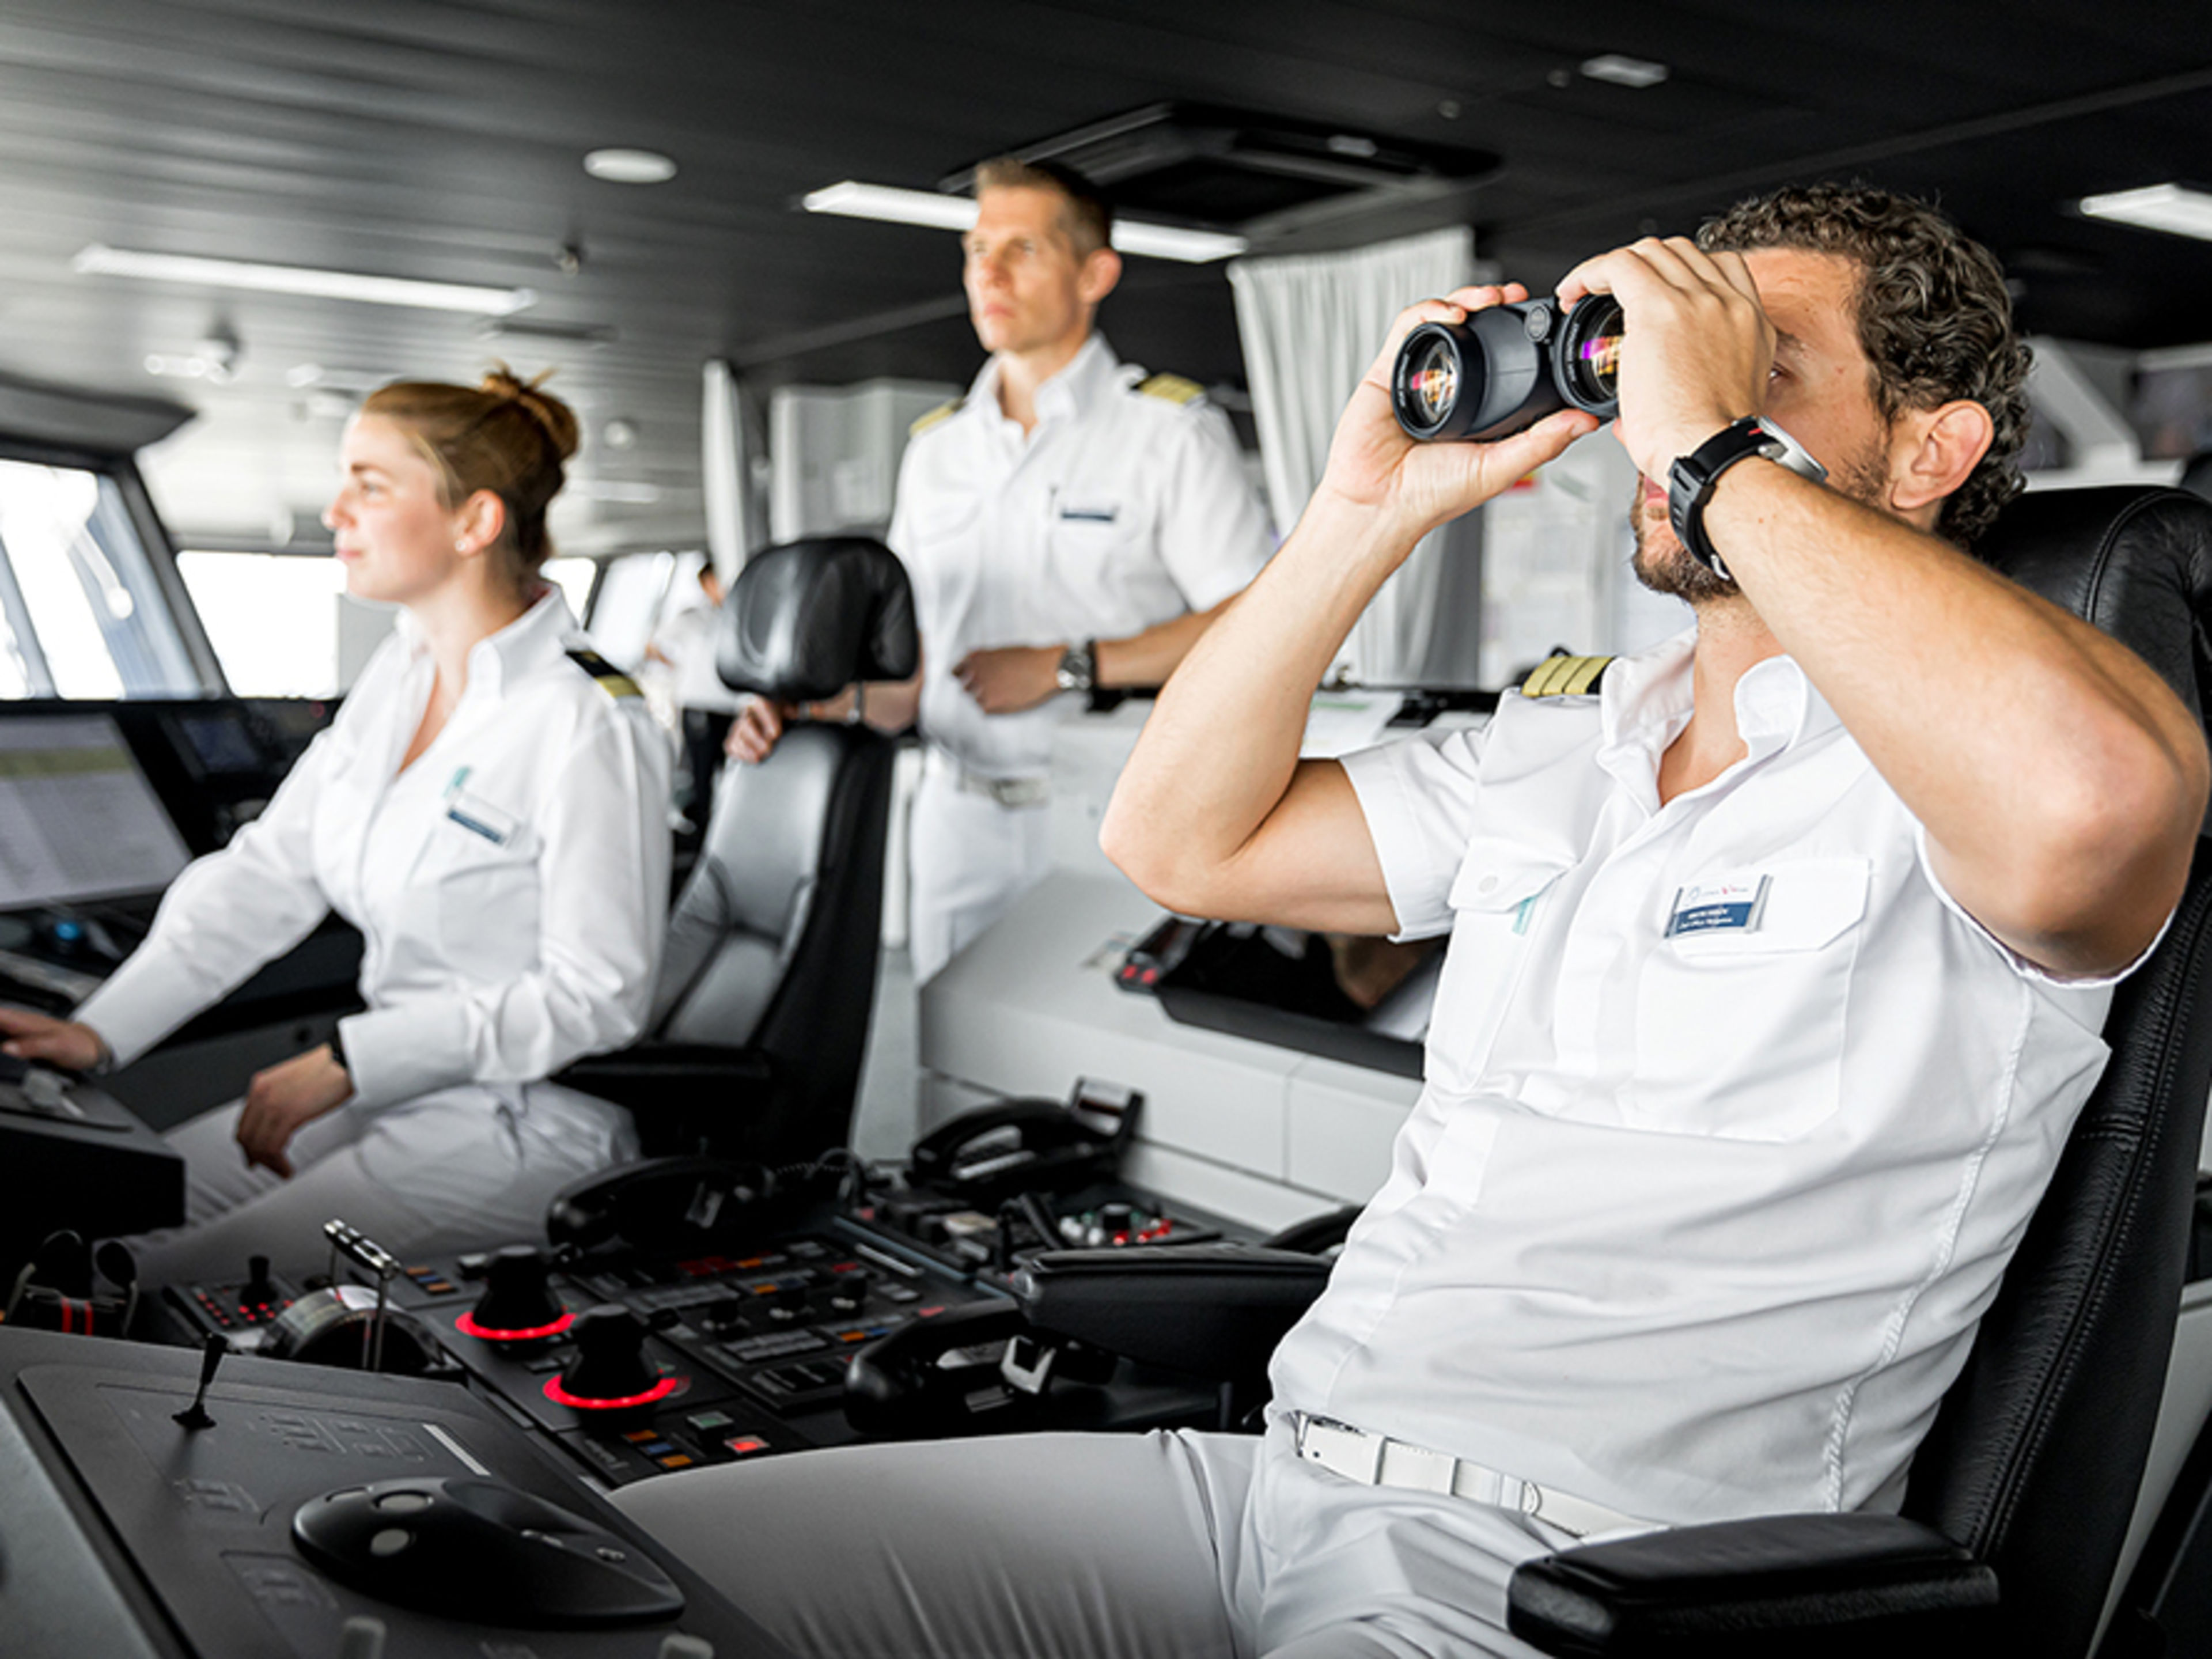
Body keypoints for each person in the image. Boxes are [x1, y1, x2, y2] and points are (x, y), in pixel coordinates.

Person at [614, 184, 2208, 1657]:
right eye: (1663, 362)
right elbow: (1175, 838)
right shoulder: (1566, 740)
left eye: (1755, 364)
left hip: (1581, 1576)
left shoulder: (1966, 793)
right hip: (1273, 1484)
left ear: (1930, 451)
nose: (1661, 412)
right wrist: (1360, 509)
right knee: (611, 1579)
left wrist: (1713, 451)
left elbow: (2095, 807)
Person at [0, 369, 672, 1286]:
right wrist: (101, 1032)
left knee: (141, 1285)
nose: (334, 511)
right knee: (66, 1225)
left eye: (371, 485)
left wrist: (357, 1058)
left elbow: (601, 995)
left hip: (522, 1120)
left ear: (474, 521)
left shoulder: (589, 716)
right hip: (387, 1088)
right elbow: (271, 871)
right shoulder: (399, 680)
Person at [726, 157, 1275, 982]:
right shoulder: (936, 451)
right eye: (978, 250)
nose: (988, 273)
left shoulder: (1168, 432)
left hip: (1117, 815)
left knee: (1099, 1052)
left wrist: (1067, 666)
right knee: (953, 1047)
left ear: (1095, 274)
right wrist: (809, 707)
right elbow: (912, 674)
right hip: (960, 819)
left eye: (1022, 249)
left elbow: (1259, 625)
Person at [643, 559, 743, 827]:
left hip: (733, 706)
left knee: (733, 772)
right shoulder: (693, 618)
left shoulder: (737, 617)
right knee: (703, 773)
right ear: (706, 584)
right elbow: (652, 647)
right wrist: (681, 668)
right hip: (701, 705)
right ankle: (702, 835)